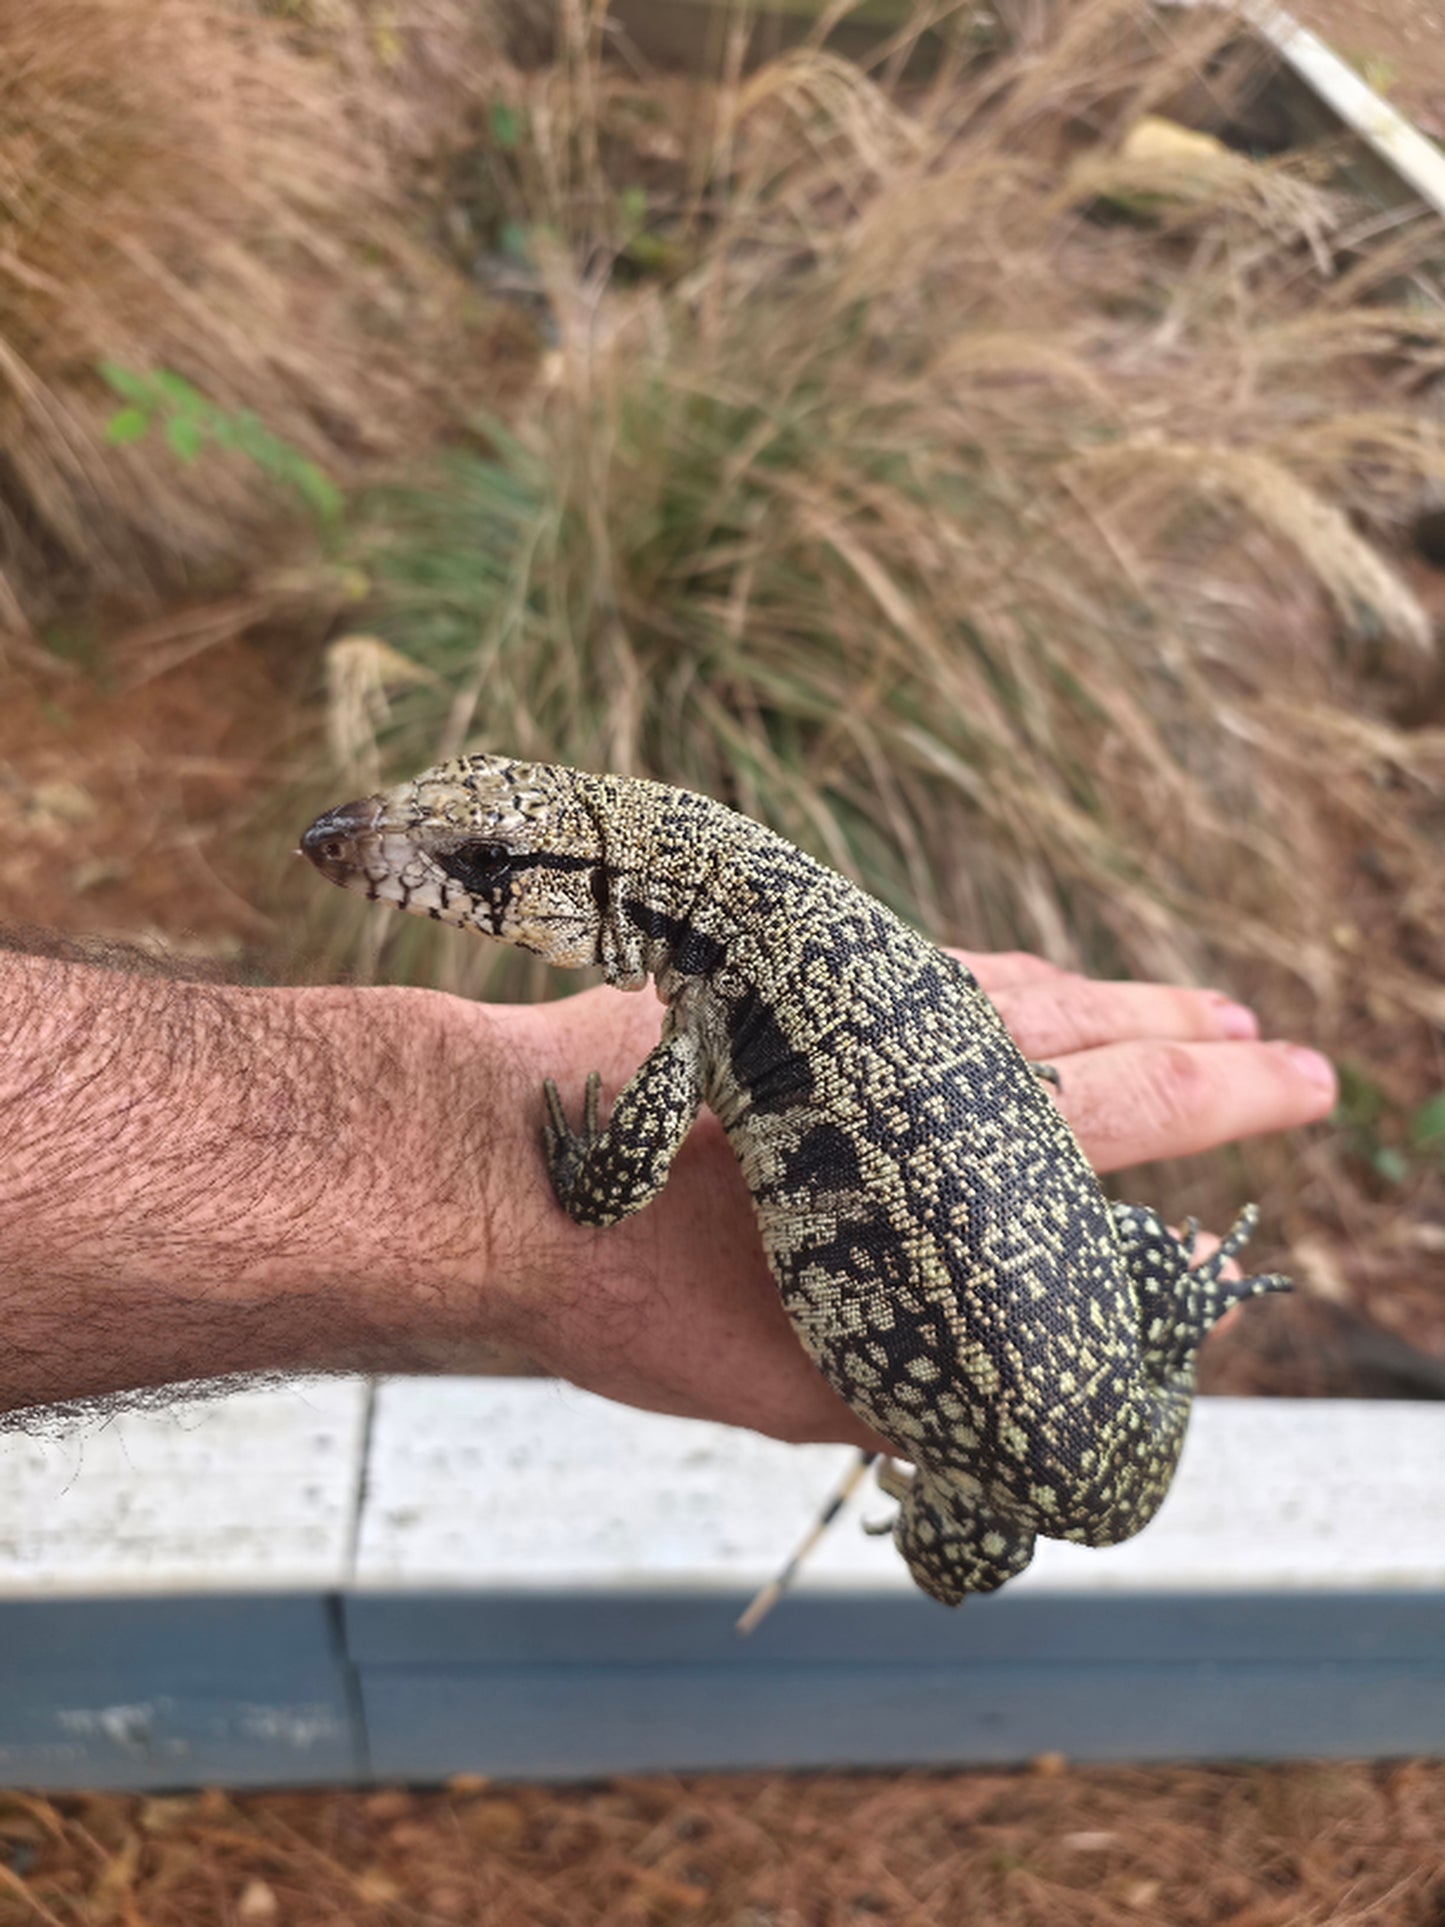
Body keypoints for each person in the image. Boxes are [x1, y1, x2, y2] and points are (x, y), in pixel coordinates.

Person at [0, 943, 1336, 1442]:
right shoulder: (714, 1006)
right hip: (1076, 1393)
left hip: (1057, 1419)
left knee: (970, 1530)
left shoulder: (705, 1015)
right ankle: (1180, 1299)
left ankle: (1169, 1307)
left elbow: (607, 1182)